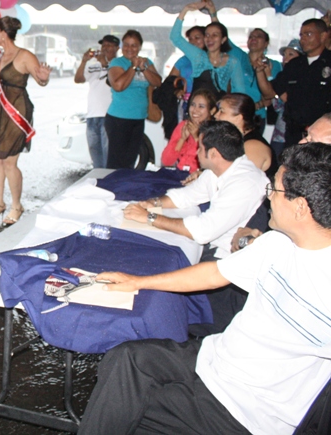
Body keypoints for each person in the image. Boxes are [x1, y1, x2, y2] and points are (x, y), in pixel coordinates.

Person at [78, 142, 331, 435]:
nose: (268, 196)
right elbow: (214, 273)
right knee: (125, 360)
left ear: (300, 207)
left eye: (274, 189)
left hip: (245, 410)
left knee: (124, 407)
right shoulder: (278, 243)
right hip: (214, 359)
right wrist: (137, 281)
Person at [125, 120, 268, 261]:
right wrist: (154, 203)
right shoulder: (218, 169)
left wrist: (150, 217)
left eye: (200, 148)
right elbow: (187, 195)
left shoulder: (245, 184)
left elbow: (203, 231)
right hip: (215, 245)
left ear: (213, 154)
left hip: (229, 257)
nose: (196, 152)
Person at [0, 17, 51, 225]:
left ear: (4, 34)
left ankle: (16, 205)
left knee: (9, 162)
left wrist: (44, 77)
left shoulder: (24, 56)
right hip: (0, 111)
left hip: (17, 112)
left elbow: (41, 81)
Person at [231, 112, 331, 252]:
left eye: (311, 142)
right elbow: (255, 224)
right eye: (305, 135)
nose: (301, 143)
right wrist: (246, 237)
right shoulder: (290, 176)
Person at [256, 18, 331, 148]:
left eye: (308, 34)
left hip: (322, 136)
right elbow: (269, 93)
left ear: (323, 36)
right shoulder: (294, 65)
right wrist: (259, 72)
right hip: (294, 133)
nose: (303, 39)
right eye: (301, 35)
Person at [105, 29, 162, 169]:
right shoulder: (117, 62)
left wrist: (144, 68)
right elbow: (118, 86)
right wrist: (133, 67)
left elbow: (158, 82)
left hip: (138, 118)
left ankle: (125, 183)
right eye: (126, 44)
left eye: (134, 45)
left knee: (130, 161)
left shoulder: (146, 62)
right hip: (119, 119)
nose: (129, 48)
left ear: (140, 47)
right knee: (115, 163)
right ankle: (111, 183)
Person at [170, 1, 245, 98]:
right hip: (196, 105)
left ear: (223, 39)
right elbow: (175, 37)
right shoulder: (198, 56)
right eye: (207, 35)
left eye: (215, 35)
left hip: (219, 106)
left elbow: (240, 91)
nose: (210, 39)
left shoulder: (233, 62)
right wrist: (186, 9)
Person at [73, 34, 119, 168]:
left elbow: (115, 82)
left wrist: (105, 64)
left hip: (109, 116)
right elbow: (78, 79)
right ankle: (99, 178)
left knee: (108, 155)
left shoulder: (119, 64)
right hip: (92, 116)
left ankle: (108, 179)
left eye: (109, 45)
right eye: (103, 45)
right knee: (95, 154)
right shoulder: (93, 64)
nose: (105, 48)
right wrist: (84, 61)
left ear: (117, 48)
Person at [215, 92, 273, 176]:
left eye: (221, 111)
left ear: (238, 118)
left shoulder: (253, 146)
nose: (216, 115)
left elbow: (241, 178)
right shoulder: (235, 140)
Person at [160, 89, 217, 173]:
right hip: (179, 173)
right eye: (193, 105)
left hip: (200, 177)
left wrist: (196, 138)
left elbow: (210, 165)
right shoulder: (183, 126)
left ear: (212, 111)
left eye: (201, 106)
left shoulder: (214, 131)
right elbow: (166, 161)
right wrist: (182, 139)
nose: (195, 110)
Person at [270, 38, 304, 158]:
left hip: (296, 131)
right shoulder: (281, 77)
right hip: (280, 131)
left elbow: (288, 101)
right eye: (284, 55)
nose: (285, 58)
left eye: (291, 54)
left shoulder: (304, 78)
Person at [170, 25, 205, 93]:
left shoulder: (211, 58)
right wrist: (177, 91)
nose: (193, 42)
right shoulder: (183, 60)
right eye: (190, 39)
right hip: (186, 97)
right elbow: (170, 82)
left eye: (197, 38)